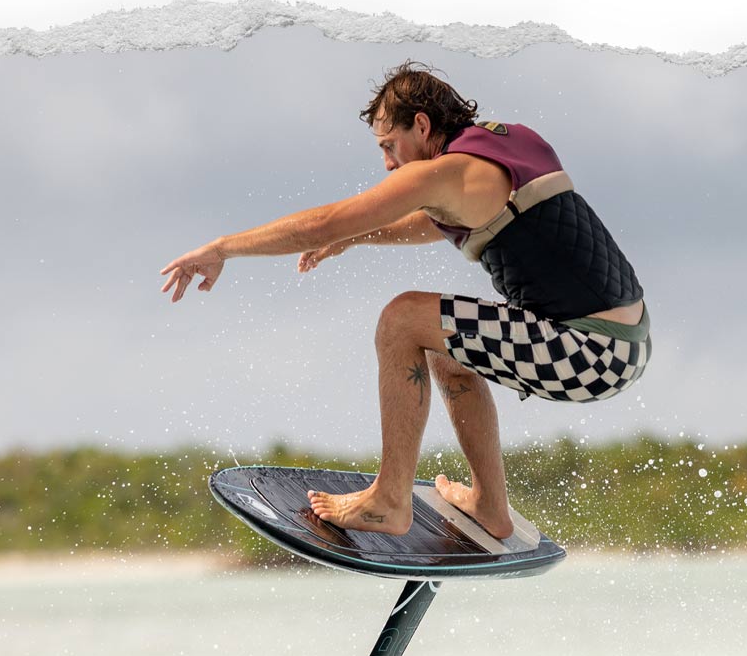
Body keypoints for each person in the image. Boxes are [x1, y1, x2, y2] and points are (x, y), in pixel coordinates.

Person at [160, 62, 649, 540]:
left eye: (389, 145)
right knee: (444, 349)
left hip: (591, 350)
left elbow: (322, 223)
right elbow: (437, 220)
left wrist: (221, 248)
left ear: (422, 125)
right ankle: (490, 506)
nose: (388, 163)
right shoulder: (505, 144)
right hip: (624, 343)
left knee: (402, 319)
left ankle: (390, 501)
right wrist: (356, 238)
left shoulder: (442, 173)